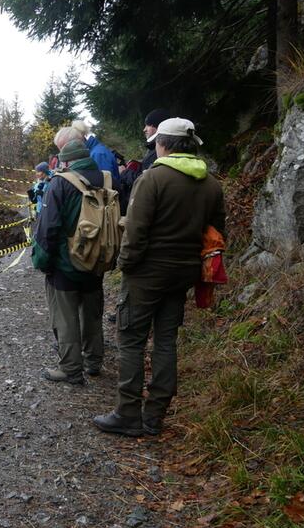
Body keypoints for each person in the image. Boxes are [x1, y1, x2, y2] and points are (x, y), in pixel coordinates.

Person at [93, 118, 225, 437]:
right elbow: (218, 233)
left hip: (148, 272)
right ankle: (155, 416)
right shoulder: (211, 184)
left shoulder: (153, 179)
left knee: (132, 338)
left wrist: (125, 264)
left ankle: (127, 414)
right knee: (166, 341)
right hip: (184, 273)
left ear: (163, 144)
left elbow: (135, 231)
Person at [31, 139, 108, 385]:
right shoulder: (107, 180)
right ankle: (94, 361)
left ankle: (71, 369)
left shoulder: (60, 184)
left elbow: (48, 229)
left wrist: (42, 262)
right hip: (97, 260)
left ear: (66, 161)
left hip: (66, 263)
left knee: (66, 318)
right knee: (92, 315)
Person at [119, 109, 171, 214]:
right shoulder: (153, 149)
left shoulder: (159, 152)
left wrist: (124, 172)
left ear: (157, 127)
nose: (144, 129)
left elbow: (146, 181)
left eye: (148, 125)